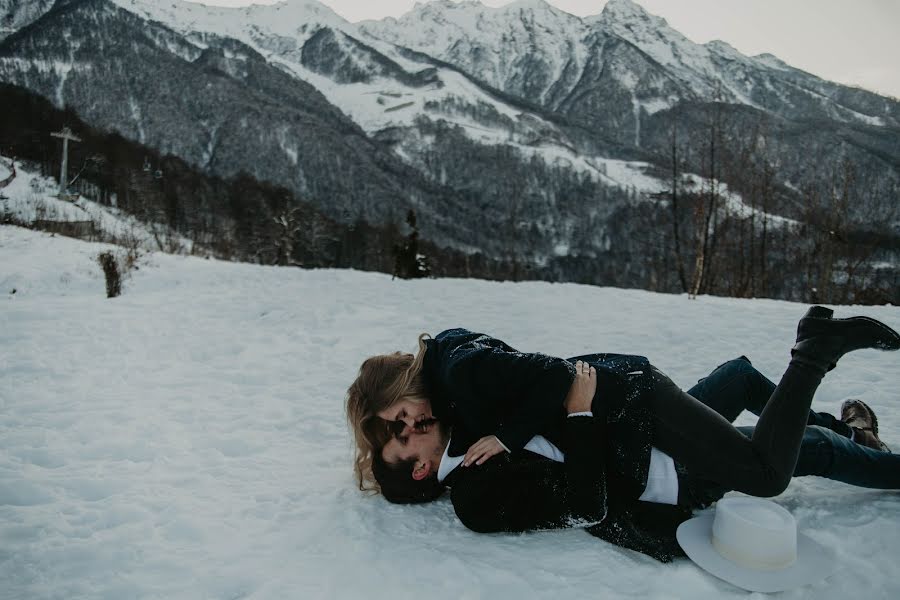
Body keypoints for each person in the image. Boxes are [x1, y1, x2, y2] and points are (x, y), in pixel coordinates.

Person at [351, 306, 900, 560]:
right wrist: (581, 414)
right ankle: (843, 423)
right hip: (661, 467)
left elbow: (532, 383)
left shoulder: (464, 417)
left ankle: (840, 422)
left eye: (402, 417)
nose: (412, 423)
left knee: (752, 413)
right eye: (402, 435)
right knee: (777, 460)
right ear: (419, 469)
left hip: (634, 419)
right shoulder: (475, 492)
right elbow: (586, 504)